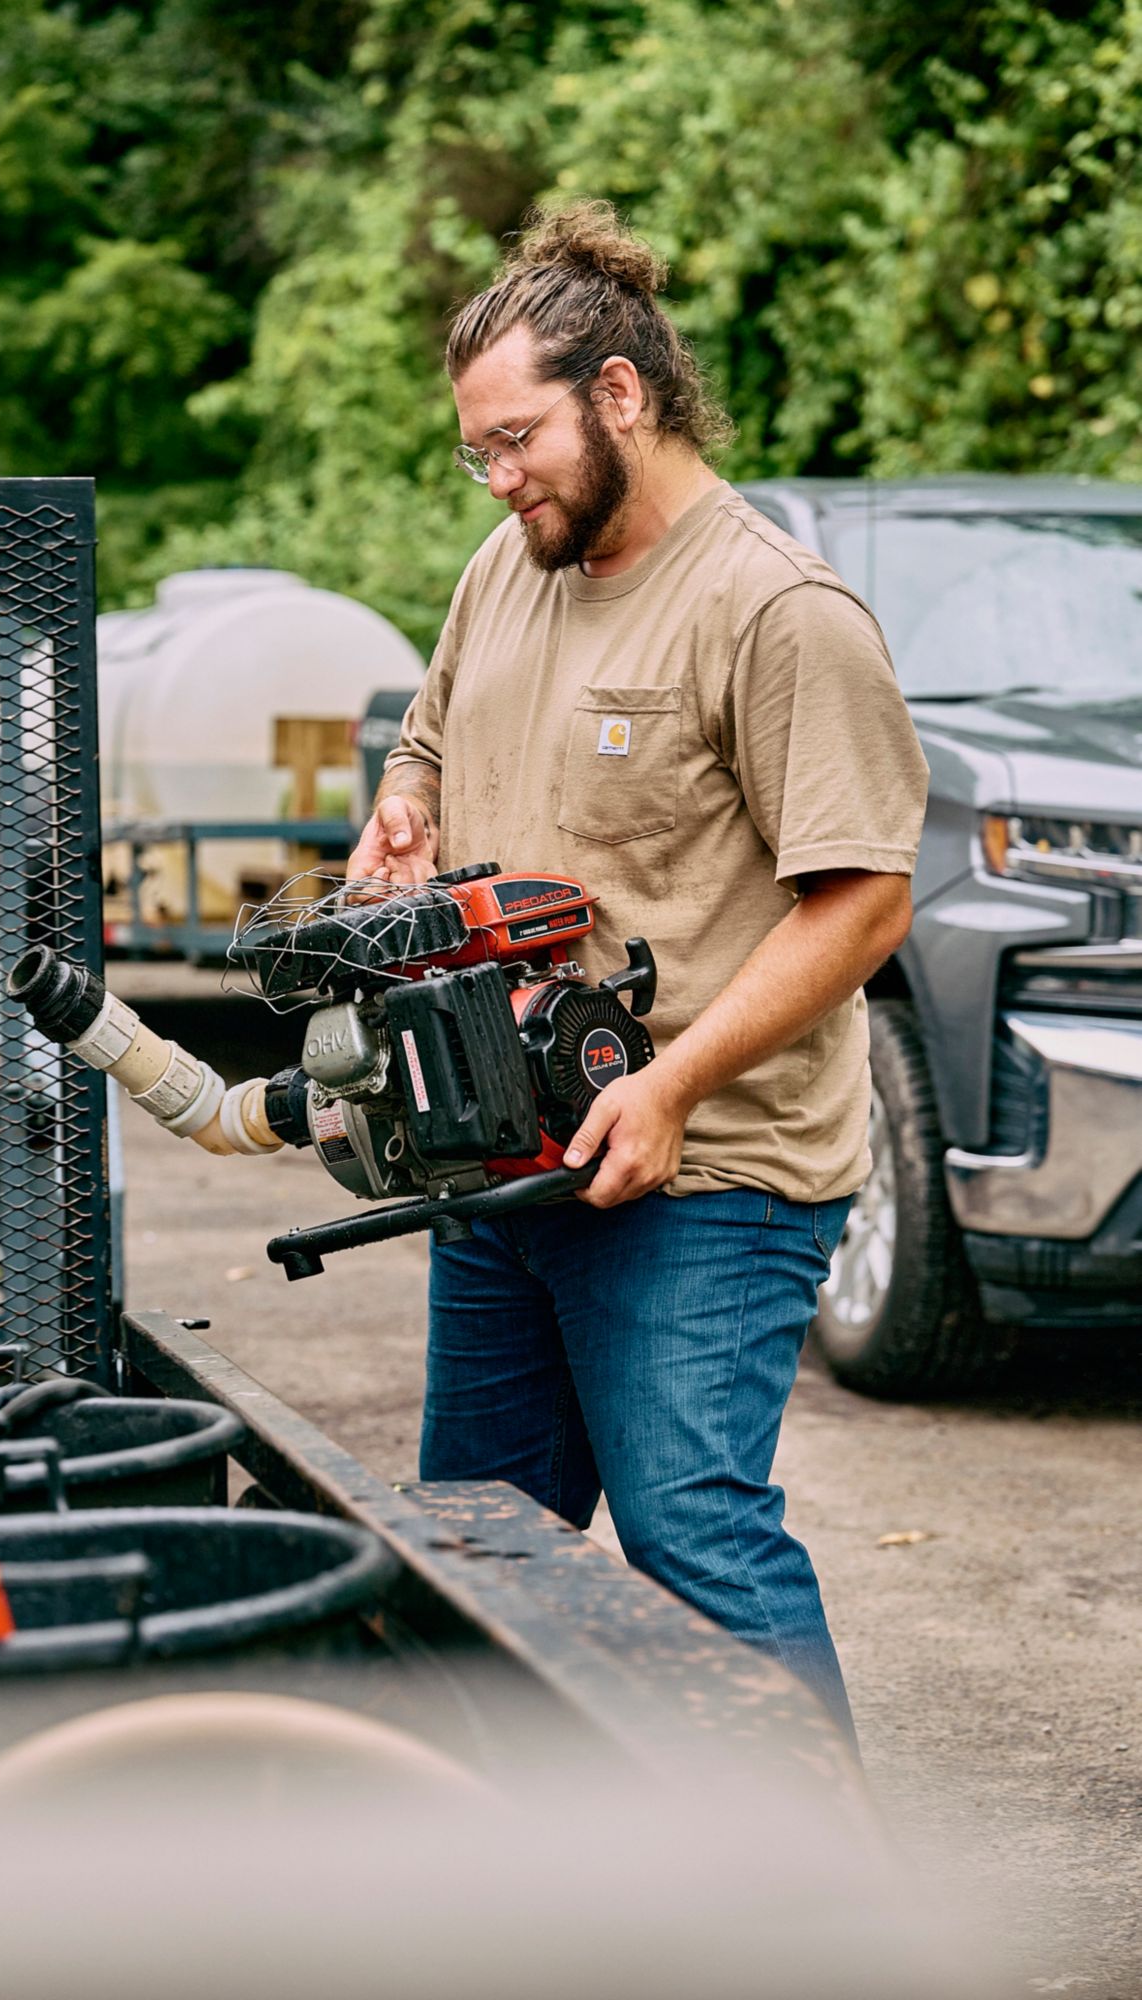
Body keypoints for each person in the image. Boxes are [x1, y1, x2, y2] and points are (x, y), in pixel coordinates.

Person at [346, 200, 928, 1747]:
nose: (498, 475)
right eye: (476, 449)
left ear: (620, 394)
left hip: (703, 1172)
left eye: (514, 437)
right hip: (508, 1160)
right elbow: (427, 738)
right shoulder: (507, 563)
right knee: (475, 1547)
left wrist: (667, 1081)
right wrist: (401, 813)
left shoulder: (774, 612)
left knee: (692, 1551)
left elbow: (864, 901)